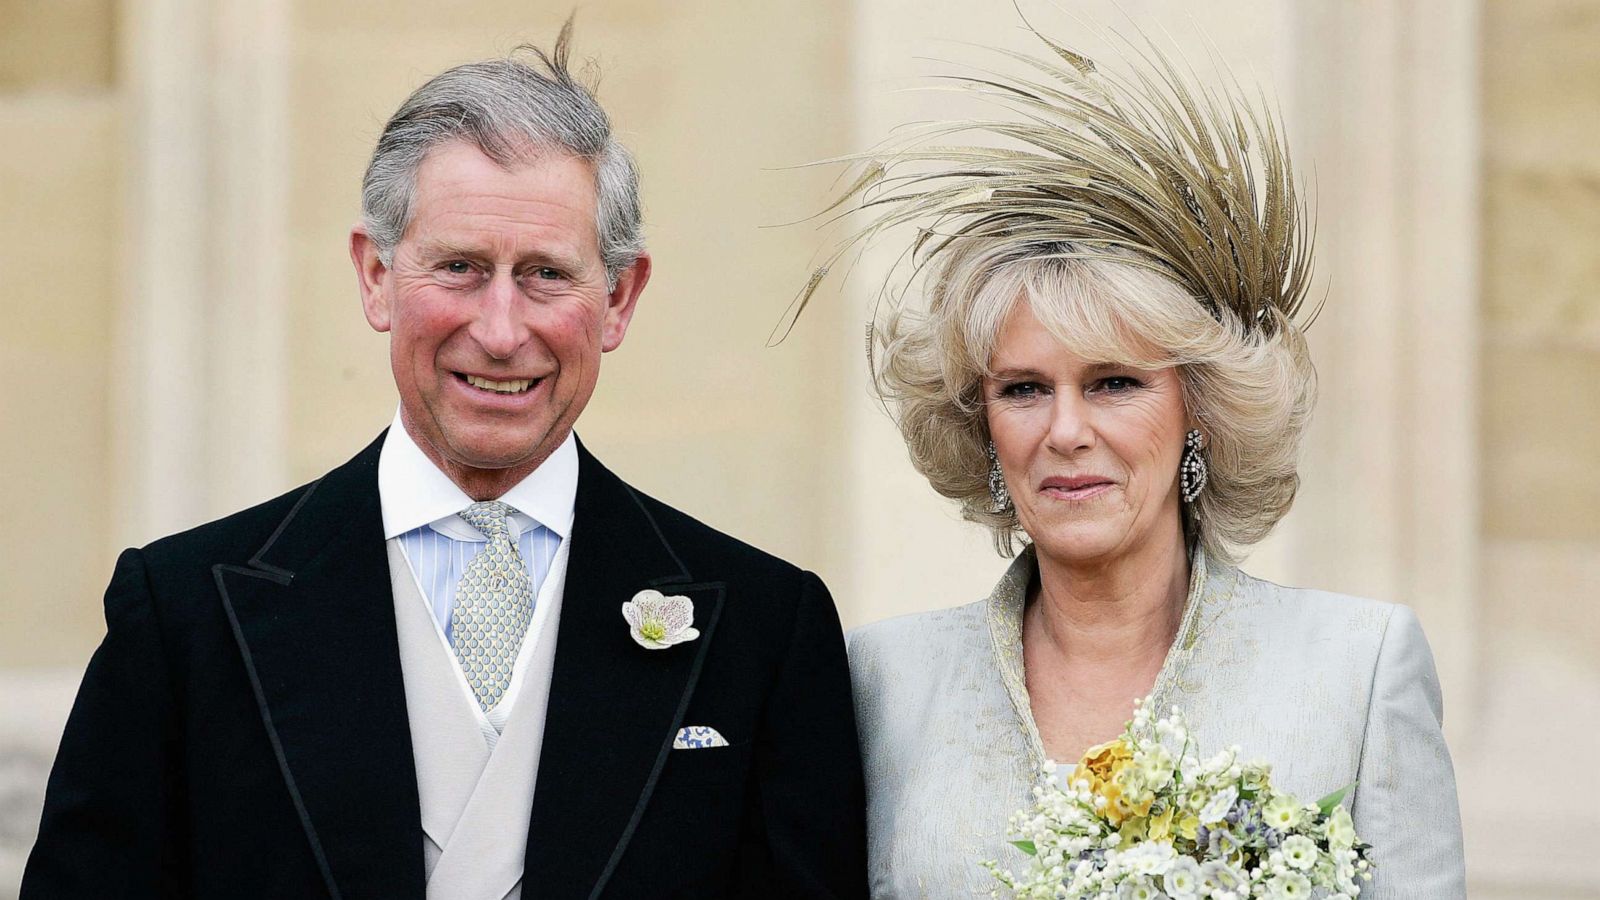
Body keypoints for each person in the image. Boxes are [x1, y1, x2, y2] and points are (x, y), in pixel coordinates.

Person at [22, 24, 866, 900]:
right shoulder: (185, 614)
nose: (501, 331)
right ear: (375, 276)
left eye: (545, 274)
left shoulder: (765, 633)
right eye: (458, 267)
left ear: (619, 297)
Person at [832, 28, 1466, 899]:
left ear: (1198, 409)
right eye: (1022, 389)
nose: (1065, 430)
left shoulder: (1356, 667)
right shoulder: (881, 680)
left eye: (1114, 383)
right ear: (981, 426)